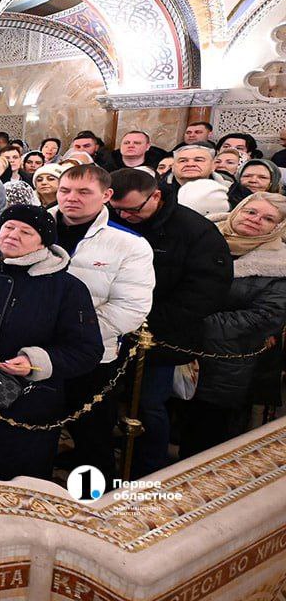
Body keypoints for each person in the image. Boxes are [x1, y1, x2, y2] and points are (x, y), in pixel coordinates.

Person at [0, 205, 102, 480]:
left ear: (43, 243)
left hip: (27, 405)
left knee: (13, 480)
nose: (13, 235)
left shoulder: (66, 288)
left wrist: (35, 361)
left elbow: (87, 349)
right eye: (9, 227)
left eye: (26, 232)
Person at [108, 169, 232, 477]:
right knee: (107, 401)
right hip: (113, 330)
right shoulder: (111, 220)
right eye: (117, 209)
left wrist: (145, 320)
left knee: (149, 405)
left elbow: (205, 290)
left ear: (156, 196)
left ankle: (149, 470)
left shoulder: (194, 231)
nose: (124, 216)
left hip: (162, 336)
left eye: (133, 209)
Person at [52, 165, 155, 477]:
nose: (71, 198)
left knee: (91, 434)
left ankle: (94, 497)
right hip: (35, 350)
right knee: (36, 428)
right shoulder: (35, 227)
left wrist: (75, 336)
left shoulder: (128, 243)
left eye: (84, 192)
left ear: (107, 195)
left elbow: (131, 306)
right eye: (65, 190)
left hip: (93, 354)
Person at [183, 193, 286, 457]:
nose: (256, 220)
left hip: (226, 360)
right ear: (238, 210)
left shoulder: (279, 266)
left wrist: (193, 323)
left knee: (204, 437)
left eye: (268, 219)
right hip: (176, 348)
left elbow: (264, 317)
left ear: (278, 227)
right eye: (251, 212)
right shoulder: (200, 239)